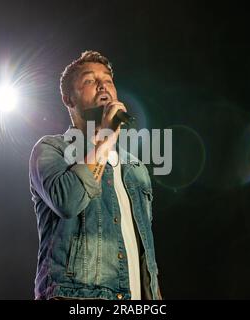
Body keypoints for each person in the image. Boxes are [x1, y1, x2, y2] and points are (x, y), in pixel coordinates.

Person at [29, 51, 161, 300]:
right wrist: (105, 139)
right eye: (89, 80)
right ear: (68, 98)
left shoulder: (135, 169)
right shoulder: (52, 149)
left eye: (108, 80)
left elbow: (145, 256)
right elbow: (68, 202)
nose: (103, 85)